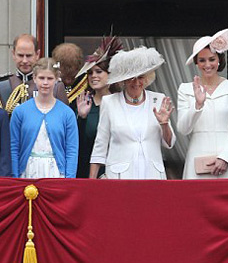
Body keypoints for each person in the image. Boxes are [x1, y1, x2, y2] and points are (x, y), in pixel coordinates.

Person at [90, 47, 175, 179]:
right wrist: (92, 183)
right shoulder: (109, 102)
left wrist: (164, 124)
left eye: (140, 77)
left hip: (152, 176)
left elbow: (169, 144)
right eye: (131, 78)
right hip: (120, 177)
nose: (136, 82)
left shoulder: (157, 99)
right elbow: (100, 145)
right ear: (123, 80)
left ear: (147, 78)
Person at [177, 28, 228, 179]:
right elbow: (183, 129)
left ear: (219, 60)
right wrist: (197, 105)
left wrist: (226, 158)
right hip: (197, 158)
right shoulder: (185, 89)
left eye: (211, 59)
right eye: (202, 60)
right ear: (196, 63)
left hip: (227, 160)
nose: (207, 64)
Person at [11, 58, 79, 178]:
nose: (45, 83)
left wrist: (70, 180)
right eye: (42, 78)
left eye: (50, 78)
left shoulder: (67, 114)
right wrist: (15, 176)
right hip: (28, 170)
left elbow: (71, 150)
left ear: (57, 79)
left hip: (56, 172)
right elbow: (14, 146)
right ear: (34, 78)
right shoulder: (20, 111)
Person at [74, 35, 122, 177]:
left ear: (110, 74)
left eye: (99, 71)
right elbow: (78, 145)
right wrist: (81, 117)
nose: (93, 76)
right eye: (90, 72)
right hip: (89, 173)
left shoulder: (121, 103)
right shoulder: (84, 104)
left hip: (117, 172)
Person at [0, 34, 67, 115]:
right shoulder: (1, 86)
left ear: (37, 54)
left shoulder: (55, 87)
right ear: (13, 54)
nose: (24, 60)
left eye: (29, 56)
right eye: (20, 55)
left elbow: (64, 120)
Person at [52, 42, 88, 109]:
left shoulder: (88, 84)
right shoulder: (49, 83)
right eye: (64, 77)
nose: (68, 81)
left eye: (72, 77)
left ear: (79, 69)